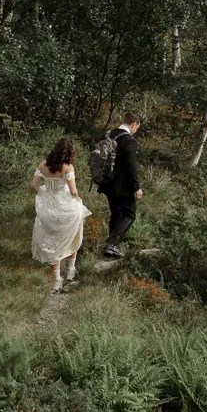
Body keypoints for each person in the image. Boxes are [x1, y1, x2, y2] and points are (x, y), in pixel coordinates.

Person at [31, 137, 91, 294]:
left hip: (49, 208)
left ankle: (57, 279)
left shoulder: (43, 164)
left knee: (53, 240)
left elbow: (34, 185)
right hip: (66, 207)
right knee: (73, 234)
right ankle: (71, 270)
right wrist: (77, 198)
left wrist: (44, 194)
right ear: (69, 153)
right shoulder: (68, 168)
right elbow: (73, 191)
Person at [97, 111, 143, 258]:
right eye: (137, 127)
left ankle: (110, 249)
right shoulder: (129, 140)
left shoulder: (109, 134)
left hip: (106, 182)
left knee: (116, 214)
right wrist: (137, 187)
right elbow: (131, 166)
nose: (136, 131)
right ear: (133, 124)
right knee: (129, 214)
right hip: (122, 186)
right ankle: (111, 244)